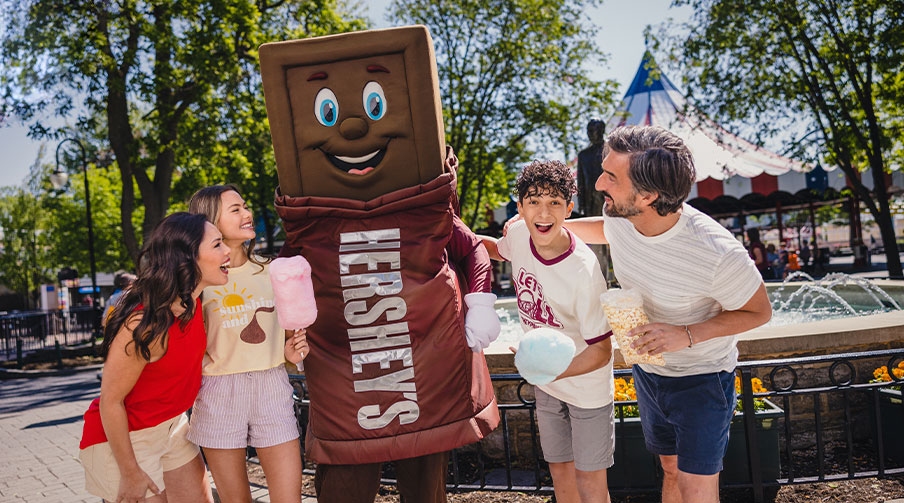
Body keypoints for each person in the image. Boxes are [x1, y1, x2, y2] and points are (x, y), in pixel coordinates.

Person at [562, 126, 772, 503]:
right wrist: (547, 228)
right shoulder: (623, 216)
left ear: (648, 195)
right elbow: (604, 229)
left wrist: (686, 334)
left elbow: (759, 311)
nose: (597, 184)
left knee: (696, 486)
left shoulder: (718, 252)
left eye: (610, 176)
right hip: (649, 374)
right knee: (671, 467)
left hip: (703, 380)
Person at [481, 160, 615, 503]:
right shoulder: (518, 234)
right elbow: (497, 249)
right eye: (534, 201)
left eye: (554, 201)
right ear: (520, 207)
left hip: (587, 389)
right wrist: (449, 234)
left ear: (569, 208)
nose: (544, 212)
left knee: (590, 481)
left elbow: (601, 351)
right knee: (559, 470)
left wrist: (544, 367)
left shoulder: (584, 270)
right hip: (547, 384)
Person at [78, 212, 230, 503]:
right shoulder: (145, 325)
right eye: (217, 245)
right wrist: (130, 471)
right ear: (188, 259)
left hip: (172, 425)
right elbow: (111, 401)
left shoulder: (195, 302)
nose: (226, 252)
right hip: (125, 438)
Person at [188, 184, 308, 503]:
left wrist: (290, 353)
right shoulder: (197, 282)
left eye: (246, 206)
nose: (247, 213)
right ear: (209, 221)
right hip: (218, 392)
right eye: (236, 209)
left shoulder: (273, 271)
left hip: (272, 387)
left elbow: (285, 342)